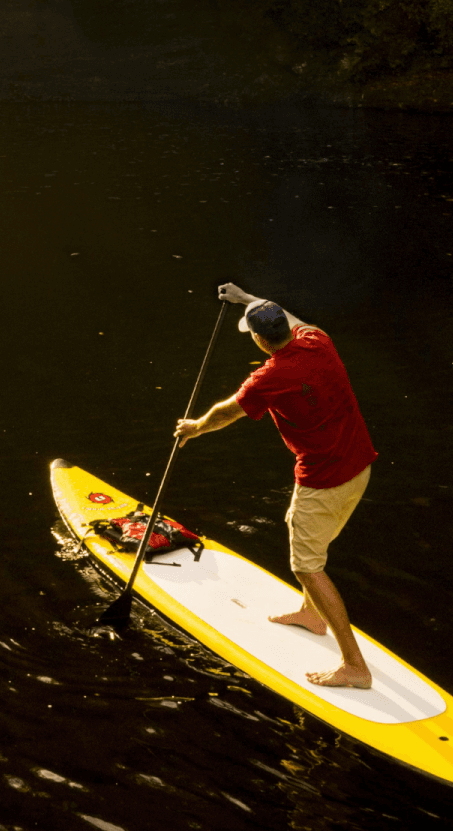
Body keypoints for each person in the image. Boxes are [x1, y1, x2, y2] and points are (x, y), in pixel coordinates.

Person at [174, 283, 378, 689]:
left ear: (259, 340)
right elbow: (292, 317)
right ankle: (312, 613)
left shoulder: (269, 377)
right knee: (302, 528)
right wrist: (246, 298)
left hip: (325, 480)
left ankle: (355, 666)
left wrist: (193, 428)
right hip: (359, 467)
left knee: (306, 565)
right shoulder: (316, 339)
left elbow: (226, 412)